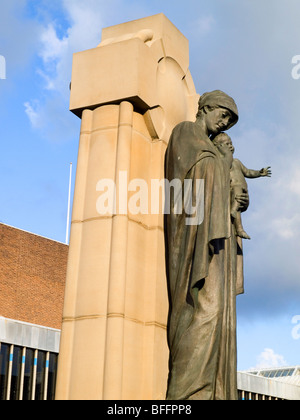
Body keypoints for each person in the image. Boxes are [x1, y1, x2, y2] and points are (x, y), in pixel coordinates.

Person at [165, 90, 248, 400]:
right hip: (195, 238)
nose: (224, 123)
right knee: (205, 311)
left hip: (218, 235)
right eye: (222, 115)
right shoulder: (185, 132)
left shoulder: (216, 149)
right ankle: (187, 395)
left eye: (228, 120)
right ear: (206, 108)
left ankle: (214, 390)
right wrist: (219, 167)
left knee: (220, 316)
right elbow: (187, 181)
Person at [212, 132, 271, 240]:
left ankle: (236, 217)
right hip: (233, 189)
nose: (231, 146)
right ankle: (239, 229)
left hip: (243, 191)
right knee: (236, 209)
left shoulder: (237, 162)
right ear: (218, 147)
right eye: (227, 144)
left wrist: (259, 173)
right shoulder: (220, 163)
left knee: (237, 205)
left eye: (231, 143)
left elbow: (247, 172)